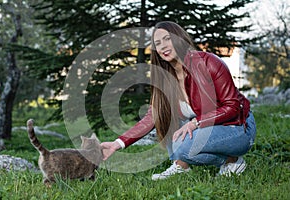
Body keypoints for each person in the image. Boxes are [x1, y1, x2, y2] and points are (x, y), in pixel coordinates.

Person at [101, 21, 256, 180]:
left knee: (183, 147)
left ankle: (233, 160)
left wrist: (196, 122)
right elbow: (152, 117)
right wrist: (117, 143)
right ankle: (182, 165)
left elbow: (233, 106)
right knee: (165, 119)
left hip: (238, 127)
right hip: (208, 128)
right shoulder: (165, 79)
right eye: (157, 43)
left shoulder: (208, 63)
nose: (162, 46)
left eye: (167, 39)